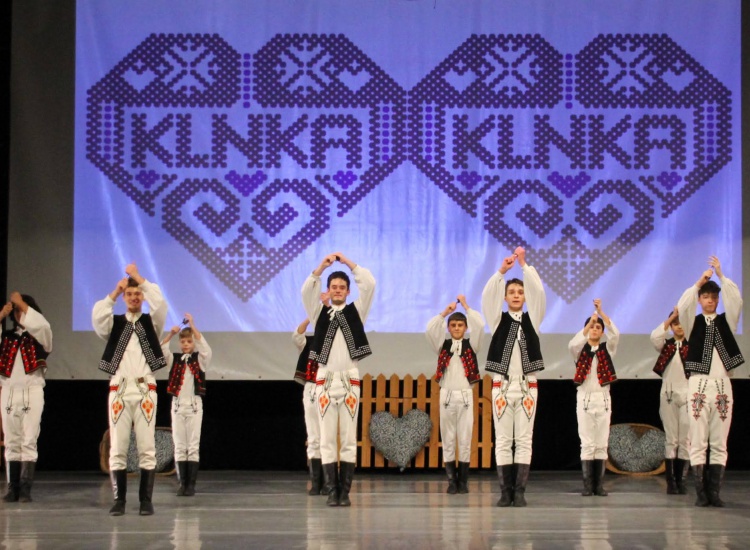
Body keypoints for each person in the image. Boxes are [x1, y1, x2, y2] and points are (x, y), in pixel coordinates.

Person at [92, 263, 167, 516]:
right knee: (118, 446)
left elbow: (160, 304)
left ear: (142, 297)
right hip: (120, 390)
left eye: (137, 294)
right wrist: (115, 292)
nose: (134, 297)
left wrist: (138, 278)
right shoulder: (114, 324)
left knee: (147, 447)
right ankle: (119, 500)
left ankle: (146, 500)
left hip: (145, 390)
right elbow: (97, 318)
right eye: (130, 294)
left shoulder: (152, 323)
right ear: (124, 298)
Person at [301, 252, 375, 507]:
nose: (338, 290)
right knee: (327, 438)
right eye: (334, 287)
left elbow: (370, 284)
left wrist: (349, 263)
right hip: (324, 380)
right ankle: (332, 491)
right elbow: (306, 292)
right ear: (329, 290)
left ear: (348, 291)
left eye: (342, 287)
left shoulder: (357, 311)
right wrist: (321, 267)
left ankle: (345, 493)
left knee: (348, 438)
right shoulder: (318, 313)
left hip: (349, 380)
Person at [482, 246, 545, 507]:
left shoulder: (534, 319)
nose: (517, 295)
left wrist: (524, 265)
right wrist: (501, 272)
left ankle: (519, 492)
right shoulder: (497, 320)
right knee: (503, 440)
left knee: (524, 440)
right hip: (502, 387)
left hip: (528, 387)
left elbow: (538, 292)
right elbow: (488, 297)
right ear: (505, 297)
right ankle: (505, 492)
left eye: (520, 292)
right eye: (512, 292)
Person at [677, 256, 743, 507]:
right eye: (706, 297)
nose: (710, 301)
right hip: (699, 385)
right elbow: (682, 305)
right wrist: (698, 283)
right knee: (698, 440)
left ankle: (714, 493)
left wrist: (721, 275)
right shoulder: (691, 323)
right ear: (700, 300)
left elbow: (736, 300)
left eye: (714, 297)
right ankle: (701, 493)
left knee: (719, 441)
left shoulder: (727, 321)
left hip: (723, 385)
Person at [425, 294, 484, 494]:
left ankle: (463, 482)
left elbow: (479, 325)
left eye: (460, 325)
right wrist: (445, 313)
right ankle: (452, 481)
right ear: (448, 328)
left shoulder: (472, 345)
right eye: (453, 325)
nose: (457, 328)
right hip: (447, 395)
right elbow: (430, 329)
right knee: (448, 438)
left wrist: (466, 306)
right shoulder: (442, 345)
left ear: (465, 328)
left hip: (466, 395)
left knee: (465, 439)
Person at [0, 292, 52, 503]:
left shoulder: (40, 337)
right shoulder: (6, 337)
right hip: (9, 391)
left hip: (32, 390)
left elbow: (43, 327)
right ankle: (12, 488)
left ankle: (25, 488)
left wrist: (21, 303)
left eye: (23, 310)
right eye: (17, 311)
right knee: (11, 440)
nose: (19, 314)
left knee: (29, 439)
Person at [569, 299, 619, 497]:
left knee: (601, 443)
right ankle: (588, 485)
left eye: (598, 327)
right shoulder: (579, 351)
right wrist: (590, 321)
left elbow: (616, 334)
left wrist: (601, 313)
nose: (595, 329)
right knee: (587, 443)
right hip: (585, 399)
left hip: (603, 399)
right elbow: (573, 343)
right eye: (592, 326)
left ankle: (599, 486)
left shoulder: (608, 350)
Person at [161, 313, 212, 497]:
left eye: (189, 342)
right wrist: (171, 334)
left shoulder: (200, 360)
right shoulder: (174, 360)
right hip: (177, 406)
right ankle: (182, 484)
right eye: (183, 342)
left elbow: (206, 350)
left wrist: (193, 325)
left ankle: (191, 485)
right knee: (180, 445)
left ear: (193, 343)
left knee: (193, 445)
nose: (186, 345)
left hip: (194, 406)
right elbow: (161, 350)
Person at [650, 307, 690, 495]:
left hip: (689, 394)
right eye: (675, 324)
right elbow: (655, 337)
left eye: (681, 323)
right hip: (668, 394)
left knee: (686, 439)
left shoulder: (694, 345)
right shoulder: (666, 346)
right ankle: (671, 482)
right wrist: (671, 317)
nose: (679, 326)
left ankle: (682, 481)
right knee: (671, 438)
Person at [292, 291, 329, 496]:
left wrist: (326, 307)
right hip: (311, 389)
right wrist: (311, 316)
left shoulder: (334, 342)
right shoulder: (309, 341)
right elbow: (296, 336)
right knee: (314, 436)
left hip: (329, 388)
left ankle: (328, 482)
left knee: (327, 437)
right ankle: (316, 483)